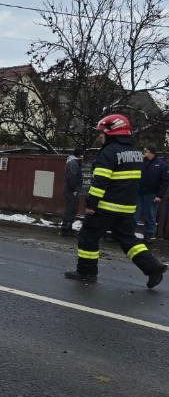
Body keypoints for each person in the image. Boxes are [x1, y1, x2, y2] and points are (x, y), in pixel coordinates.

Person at [65, 114, 166, 288]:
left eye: (102, 133)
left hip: (106, 206)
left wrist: (91, 204)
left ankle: (86, 272)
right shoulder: (135, 153)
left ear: (112, 132)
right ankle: (153, 268)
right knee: (128, 240)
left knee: (88, 236)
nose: (100, 137)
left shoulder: (109, 152)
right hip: (126, 208)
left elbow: (100, 182)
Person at [134, 145, 169, 242]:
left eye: (146, 151)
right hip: (139, 193)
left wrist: (159, 195)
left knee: (150, 215)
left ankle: (148, 235)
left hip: (152, 195)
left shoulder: (161, 164)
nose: (144, 153)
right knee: (134, 213)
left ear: (151, 152)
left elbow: (165, 181)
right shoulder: (141, 162)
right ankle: (130, 233)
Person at [60, 147, 84, 236]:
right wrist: (74, 190)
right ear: (80, 155)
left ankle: (67, 228)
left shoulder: (74, 162)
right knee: (70, 209)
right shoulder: (73, 163)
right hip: (71, 190)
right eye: (83, 154)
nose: (83, 156)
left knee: (72, 209)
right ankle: (65, 229)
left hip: (70, 190)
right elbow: (72, 177)